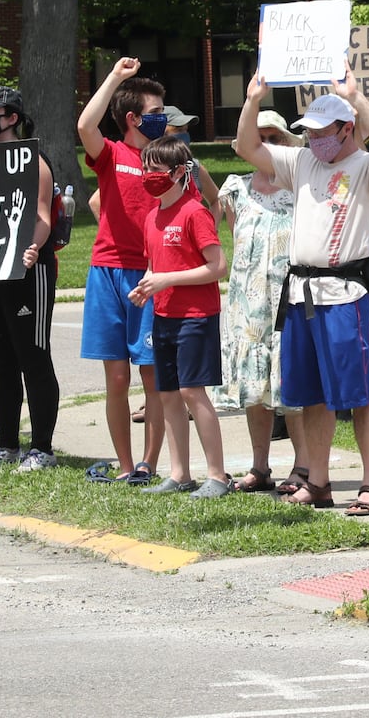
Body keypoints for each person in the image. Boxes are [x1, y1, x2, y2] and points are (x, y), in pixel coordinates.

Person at [235, 71, 369, 515]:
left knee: (361, 395)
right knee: (310, 395)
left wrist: (355, 98)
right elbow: (247, 148)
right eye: (308, 132)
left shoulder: (366, 168)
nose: (314, 139)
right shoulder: (303, 161)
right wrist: (252, 100)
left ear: (346, 129)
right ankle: (319, 481)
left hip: (345, 293)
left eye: (323, 132)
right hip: (301, 293)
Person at [0, 87, 61, 475]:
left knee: (32, 357)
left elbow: (42, 216)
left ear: (12, 118)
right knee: (0, 359)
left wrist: (34, 247)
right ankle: (6, 446)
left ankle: (42, 448)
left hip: (26, 271)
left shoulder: (33, 161)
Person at [77, 59, 166, 484]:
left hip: (149, 277)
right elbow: (84, 127)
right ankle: (126, 466)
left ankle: (148, 464)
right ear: (132, 119)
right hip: (107, 272)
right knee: (116, 377)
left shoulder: (165, 160)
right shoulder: (113, 154)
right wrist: (115, 78)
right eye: (155, 113)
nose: (162, 120)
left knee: (152, 375)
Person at [129, 136, 234, 497]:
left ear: (177, 173)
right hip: (164, 315)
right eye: (145, 168)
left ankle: (218, 476)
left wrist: (166, 279)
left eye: (155, 169)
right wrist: (146, 285)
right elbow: (155, 266)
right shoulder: (151, 216)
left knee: (192, 390)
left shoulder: (195, 211)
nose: (148, 175)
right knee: (169, 393)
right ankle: (179, 474)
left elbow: (217, 267)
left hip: (196, 315)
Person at [215, 110, 306, 494]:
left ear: (287, 144)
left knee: (293, 387)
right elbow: (234, 237)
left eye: (276, 137)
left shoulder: (301, 185)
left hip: (290, 300)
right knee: (256, 389)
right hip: (248, 306)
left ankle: (303, 466)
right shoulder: (235, 188)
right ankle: (260, 466)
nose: (268, 144)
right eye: (260, 136)